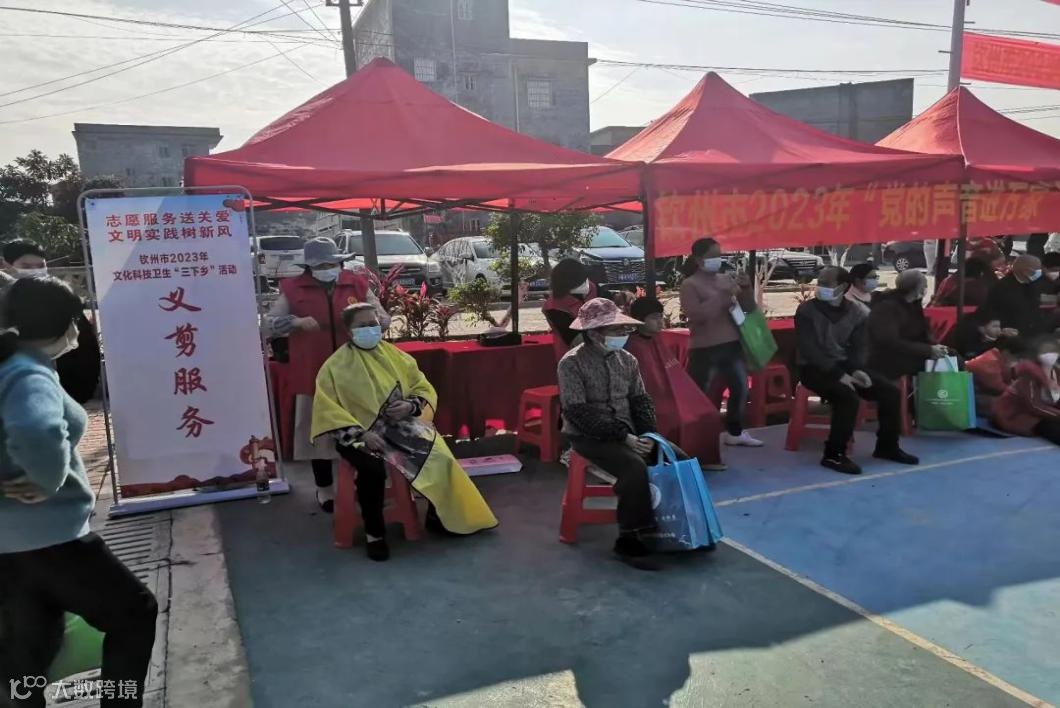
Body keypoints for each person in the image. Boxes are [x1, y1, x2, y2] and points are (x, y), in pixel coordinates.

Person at [0, 277, 157, 708]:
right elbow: (36, 428)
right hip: (51, 536)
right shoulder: (28, 372)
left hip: (10, 544)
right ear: (65, 324)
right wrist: (46, 479)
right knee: (135, 612)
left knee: (29, 651)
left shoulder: (8, 363)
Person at [310, 303, 497, 561]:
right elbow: (328, 411)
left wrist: (410, 405)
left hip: (399, 427)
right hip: (357, 436)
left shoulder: (397, 356)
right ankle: (374, 534)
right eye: (362, 326)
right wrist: (362, 435)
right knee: (372, 471)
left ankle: (438, 514)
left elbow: (422, 387)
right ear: (349, 331)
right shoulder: (334, 367)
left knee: (438, 455)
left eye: (373, 324)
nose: (370, 329)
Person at [558, 297, 702, 570]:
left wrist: (648, 435)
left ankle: (684, 526)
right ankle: (629, 538)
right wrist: (624, 437)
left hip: (632, 431)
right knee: (633, 467)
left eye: (624, 329)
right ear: (594, 333)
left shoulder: (627, 360)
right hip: (587, 435)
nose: (623, 334)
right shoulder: (571, 364)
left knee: (680, 459)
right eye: (616, 330)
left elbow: (641, 401)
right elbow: (578, 411)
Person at [264, 237, 388, 513]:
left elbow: (382, 316)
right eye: (320, 266)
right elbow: (268, 324)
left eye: (331, 264)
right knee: (317, 434)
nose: (327, 269)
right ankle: (324, 489)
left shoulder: (356, 285)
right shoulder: (293, 289)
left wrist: (374, 324)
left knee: (362, 430)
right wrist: (295, 322)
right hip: (313, 373)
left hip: (355, 372)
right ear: (309, 267)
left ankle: (363, 483)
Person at [794, 267, 919, 475]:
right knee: (847, 397)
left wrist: (857, 371)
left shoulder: (858, 312)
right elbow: (809, 350)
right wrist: (839, 375)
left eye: (826, 283)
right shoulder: (806, 311)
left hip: (845, 364)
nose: (820, 286)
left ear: (842, 287)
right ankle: (834, 454)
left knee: (890, 392)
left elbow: (859, 349)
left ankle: (887, 446)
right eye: (820, 282)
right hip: (812, 367)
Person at [679, 237, 762, 447]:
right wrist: (722, 296)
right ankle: (697, 435)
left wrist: (745, 288)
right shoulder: (689, 285)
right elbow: (697, 315)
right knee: (700, 393)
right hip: (704, 348)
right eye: (712, 256)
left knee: (740, 388)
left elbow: (748, 308)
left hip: (732, 343)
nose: (718, 259)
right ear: (699, 259)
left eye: (719, 254)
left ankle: (735, 431)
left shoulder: (726, 279)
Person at [625, 297, 725, 470]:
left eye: (660, 316)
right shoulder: (633, 346)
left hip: (673, 394)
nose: (660, 322)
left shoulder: (657, 339)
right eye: (654, 318)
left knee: (708, 413)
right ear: (639, 320)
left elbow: (674, 374)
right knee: (674, 419)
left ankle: (701, 459)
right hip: (653, 400)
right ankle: (679, 462)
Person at [1, 239, 101, 404]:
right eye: (26, 266)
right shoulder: (5, 303)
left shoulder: (60, 297)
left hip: (67, 388)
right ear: (6, 265)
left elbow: (85, 350)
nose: (35, 271)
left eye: (40, 265)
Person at [867, 269, 948, 382]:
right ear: (918, 289)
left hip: (910, 352)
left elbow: (922, 333)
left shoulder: (913, 304)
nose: (926, 289)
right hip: (889, 359)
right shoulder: (887, 307)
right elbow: (889, 342)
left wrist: (935, 348)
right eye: (925, 285)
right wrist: (928, 350)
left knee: (951, 356)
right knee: (944, 364)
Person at [991, 335, 1060, 444]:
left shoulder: (1055, 371)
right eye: (1046, 351)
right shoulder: (1029, 373)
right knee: (1053, 428)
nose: (1050, 354)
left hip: (1045, 409)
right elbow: (1034, 406)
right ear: (1037, 354)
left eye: (1054, 350)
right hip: (1018, 413)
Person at [542, 258, 599, 361]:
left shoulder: (591, 288)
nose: (586, 283)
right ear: (568, 283)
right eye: (581, 281)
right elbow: (576, 339)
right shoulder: (554, 307)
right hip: (574, 359)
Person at [980, 254, 1047, 337]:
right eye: (1037, 270)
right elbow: (991, 311)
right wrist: (1002, 329)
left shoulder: (1034, 283)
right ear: (1025, 271)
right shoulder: (1002, 287)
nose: (1040, 272)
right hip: (1012, 333)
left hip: (1034, 331)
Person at [966, 336, 1024, 417]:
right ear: (1006, 352)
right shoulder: (990, 362)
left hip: (978, 391)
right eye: (1017, 358)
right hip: (967, 394)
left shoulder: (998, 358)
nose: (1018, 361)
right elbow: (999, 388)